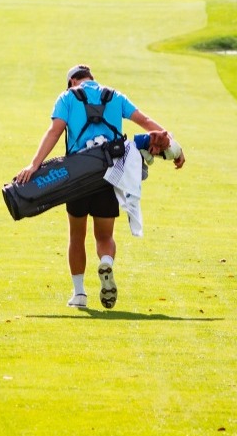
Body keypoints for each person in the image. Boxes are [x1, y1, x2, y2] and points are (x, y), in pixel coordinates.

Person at [12, 64, 183, 310]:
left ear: (72, 82)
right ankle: (106, 261)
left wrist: (33, 165)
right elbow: (146, 123)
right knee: (104, 235)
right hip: (109, 175)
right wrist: (174, 146)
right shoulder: (114, 95)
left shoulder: (66, 98)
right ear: (91, 79)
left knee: (76, 235)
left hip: (77, 177)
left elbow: (54, 132)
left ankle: (79, 294)